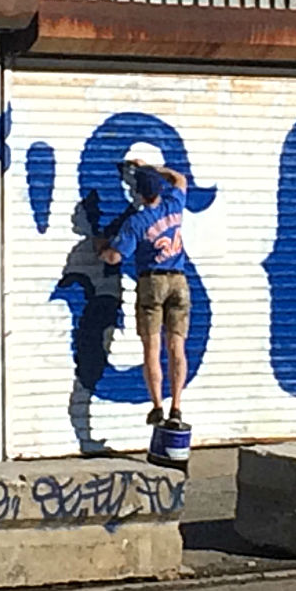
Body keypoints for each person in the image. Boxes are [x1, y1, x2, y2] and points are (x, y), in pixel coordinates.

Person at [100, 158, 191, 426]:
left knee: (152, 348)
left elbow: (115, 257)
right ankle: (177, 406)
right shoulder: (174, 205)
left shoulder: (137, 222)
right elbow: (181, 180)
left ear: (138, 193)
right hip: (179, 281)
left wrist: (101, 248)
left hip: (152, 281)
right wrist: (153, 168)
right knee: (177, 348)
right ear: (159, 189)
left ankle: (157, 407)